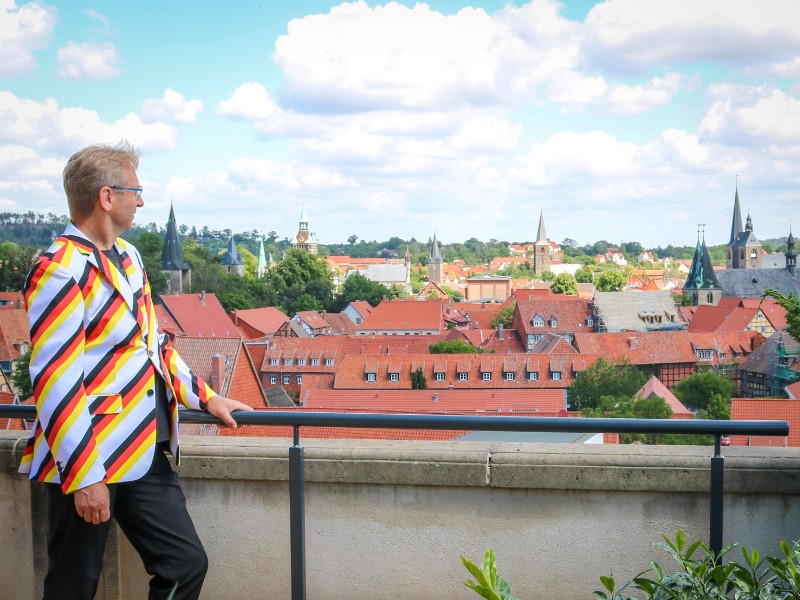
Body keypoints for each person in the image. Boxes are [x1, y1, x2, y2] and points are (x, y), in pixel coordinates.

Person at [20, 142, 251, 600]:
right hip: (87, 457)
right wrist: (85, 475)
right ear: (107, 197)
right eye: (135, 190)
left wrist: (206, 396)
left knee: (185, 566)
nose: (141, 200)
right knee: (73, 587)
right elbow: (55, 379)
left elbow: (154, 344)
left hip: (143, 447)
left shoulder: (129, 257)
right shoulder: (59, 268)